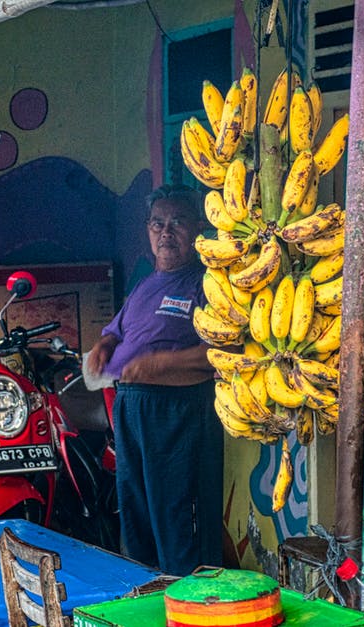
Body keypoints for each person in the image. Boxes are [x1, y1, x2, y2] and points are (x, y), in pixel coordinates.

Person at [87, 184, 223, 575]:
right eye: (157, 223)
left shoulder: (207, 285)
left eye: (177, 222)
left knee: (177, 519)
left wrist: (160, 363)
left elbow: (221, 354)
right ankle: (149, 603)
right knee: (137, 515)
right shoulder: (145, 285)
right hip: (133, 414)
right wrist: (105, 344)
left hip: (179, 415)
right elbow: (117, 330)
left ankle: (190, 606)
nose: (166, 232)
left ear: (198, 228)